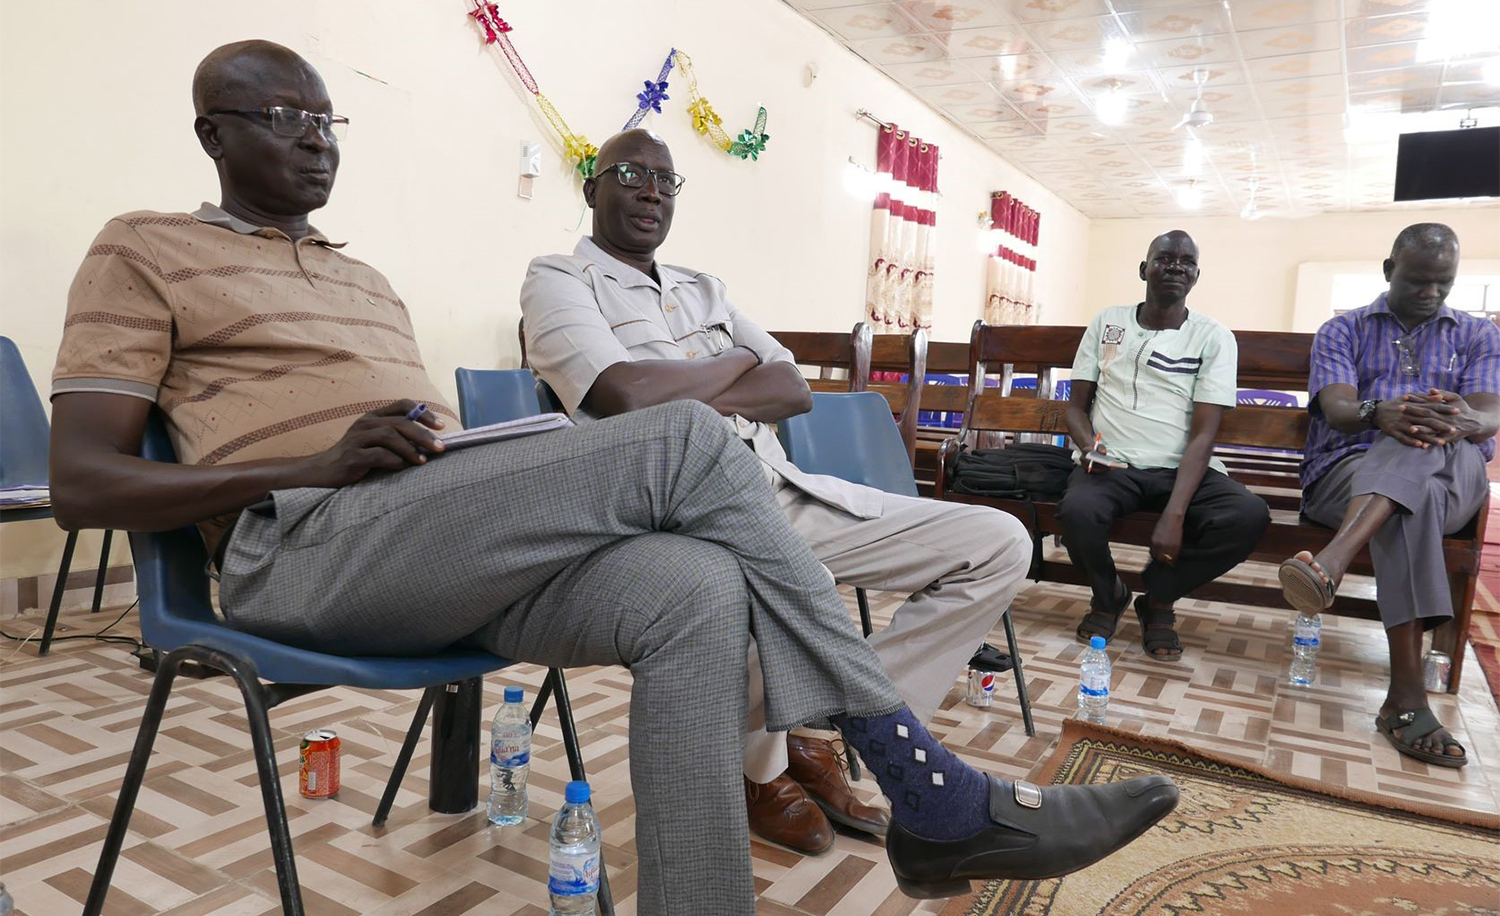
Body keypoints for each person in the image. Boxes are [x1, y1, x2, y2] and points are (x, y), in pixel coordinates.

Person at [48, 41, 1177, 915]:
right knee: (684, 440)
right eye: (285, 119)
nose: (318, 142)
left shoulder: (367, 279)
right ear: (212, 131)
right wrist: (312, 461)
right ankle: (931, 790)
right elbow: (82, 483)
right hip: (301, 550)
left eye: (327, 121)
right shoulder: (146, 248)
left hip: (433, 536)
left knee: (692, 585)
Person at [520, 128, 1037, 854]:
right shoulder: (558, 279)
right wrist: (735, 363)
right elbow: (623, 394)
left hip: (778, 489)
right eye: (631, 173)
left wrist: (693, 390)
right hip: (671, 511)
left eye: (666, 181)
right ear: (592, 188)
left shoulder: (706, 288)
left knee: (997, 543)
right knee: (802, 581)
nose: (650, 191)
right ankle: (758, 774)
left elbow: (792, 388)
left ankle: (813, 730)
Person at [1279, 223, 1497, 769]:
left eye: (1442, 284)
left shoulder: (1477, 334)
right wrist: (1383, 413)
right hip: (1344, 475)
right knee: (1409, 489)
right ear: (1388, 270)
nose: (1430, 294)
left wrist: (1461, 419)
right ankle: (1406, 699)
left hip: (1458, 477)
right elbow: (1337, 410)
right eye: (1418, 281)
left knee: (1423, 439)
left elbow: (1489, 414)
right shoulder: (1343, 329)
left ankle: (1330, 562)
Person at [1059, 231, 1270, 661]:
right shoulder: (1107, 322)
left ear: (1196, 276)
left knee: (1248, 515)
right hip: (1112, 463)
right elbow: (1076, 409)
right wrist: (1089, 448)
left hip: (1181, 467)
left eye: (1186, 261)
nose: (1175, 266)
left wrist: (1174, 514)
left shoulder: (1213, 337)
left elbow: (1204, 434)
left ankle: (1158, 600)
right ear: (1144, 269)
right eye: (1164, 258)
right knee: (1077, 512)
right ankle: (1108, 595)